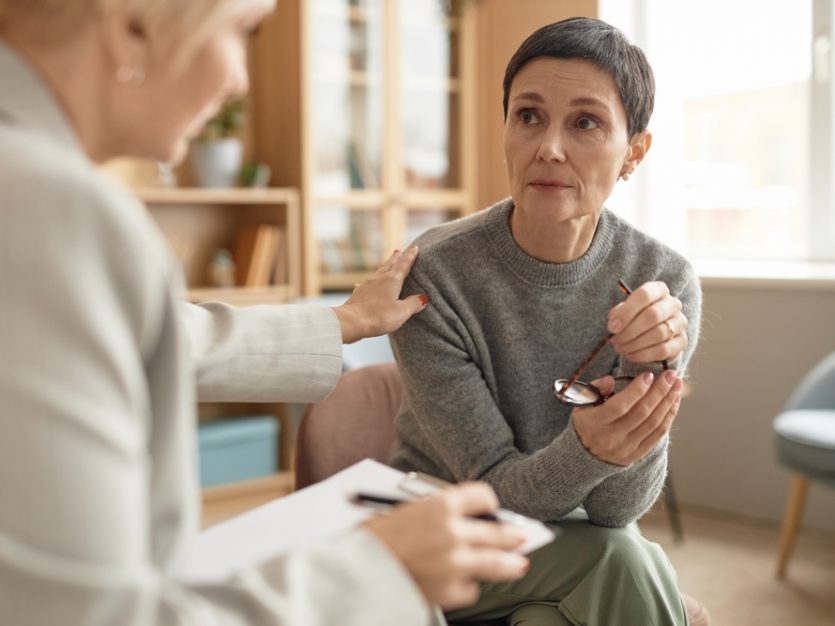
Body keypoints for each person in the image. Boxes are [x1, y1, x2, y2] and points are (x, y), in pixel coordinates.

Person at [0, 1, 531, 625]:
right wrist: (376, 571)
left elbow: (172, 335)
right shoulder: (58, 214)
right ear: (132, 25)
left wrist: (345, 322)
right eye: (240, 32)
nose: (240, 81)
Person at [389, 17, 707, 626]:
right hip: (448, 540)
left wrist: (648, 365)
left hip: (577, 545)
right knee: (622, 560)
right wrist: (590, 447)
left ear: (633, 153)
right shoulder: (433, 275)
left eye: (585, 122)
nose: (549, 148)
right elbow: (494, 492)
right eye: (528, 116)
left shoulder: (661, 281)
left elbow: (619, 507)